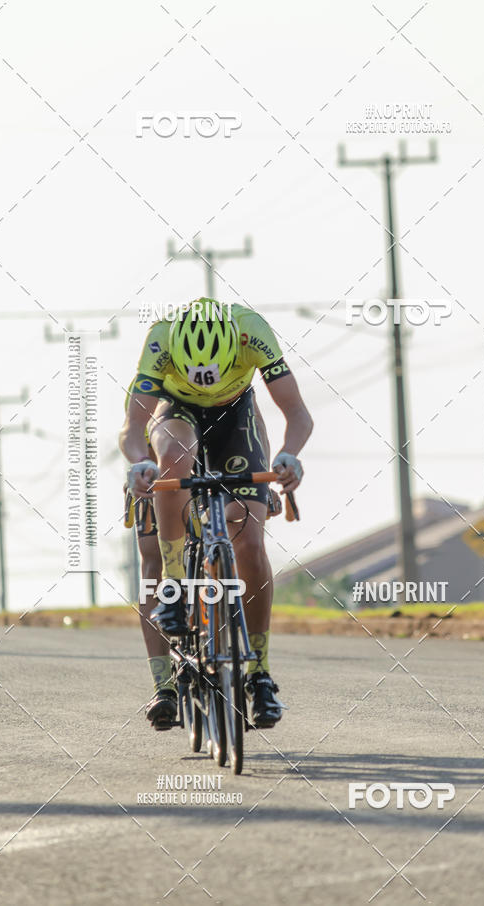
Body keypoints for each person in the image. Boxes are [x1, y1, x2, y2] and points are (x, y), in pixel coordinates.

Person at [119, 298, 313, 731]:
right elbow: (132, 427)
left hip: (235, 419)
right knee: (152, 547)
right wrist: (139, 463)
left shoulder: (252, 332)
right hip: (174, 418)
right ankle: (170, 614)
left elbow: (298, 413)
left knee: (249, 542)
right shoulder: (161, 340)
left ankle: (258, 672)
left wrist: (288, 455)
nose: (205, 382)